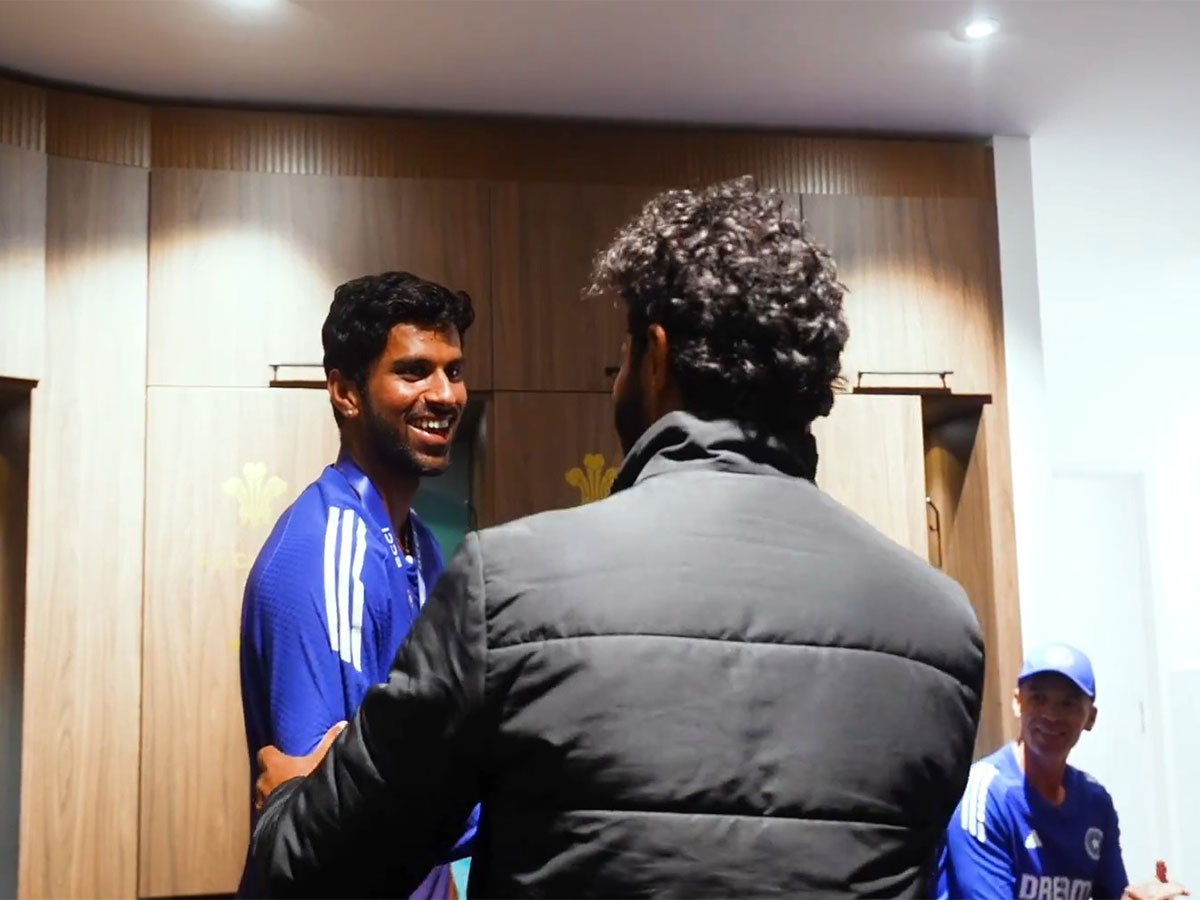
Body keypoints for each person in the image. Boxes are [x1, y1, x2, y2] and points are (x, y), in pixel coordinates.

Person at [248, 176, 985, 897]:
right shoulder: (945, 626)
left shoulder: (509, 586)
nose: (444, 394)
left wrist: (291, 806)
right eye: (416, 371)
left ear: (656, 355)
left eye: (625, 353)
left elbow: (320, 867)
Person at [237, 271, 478, 899]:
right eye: (414, 370)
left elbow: (426, 754)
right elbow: (326, 824)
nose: (445, 393)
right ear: (345, 392)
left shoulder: (418, 542)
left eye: (453, 370)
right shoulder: (325, 549)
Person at [939, 642, 1189, 900]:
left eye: (1067, 704)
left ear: (1090, 718)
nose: (1050, 715)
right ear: (1017, 702)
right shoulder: (984, 795)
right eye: (1038, 698)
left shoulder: (1095, 803)